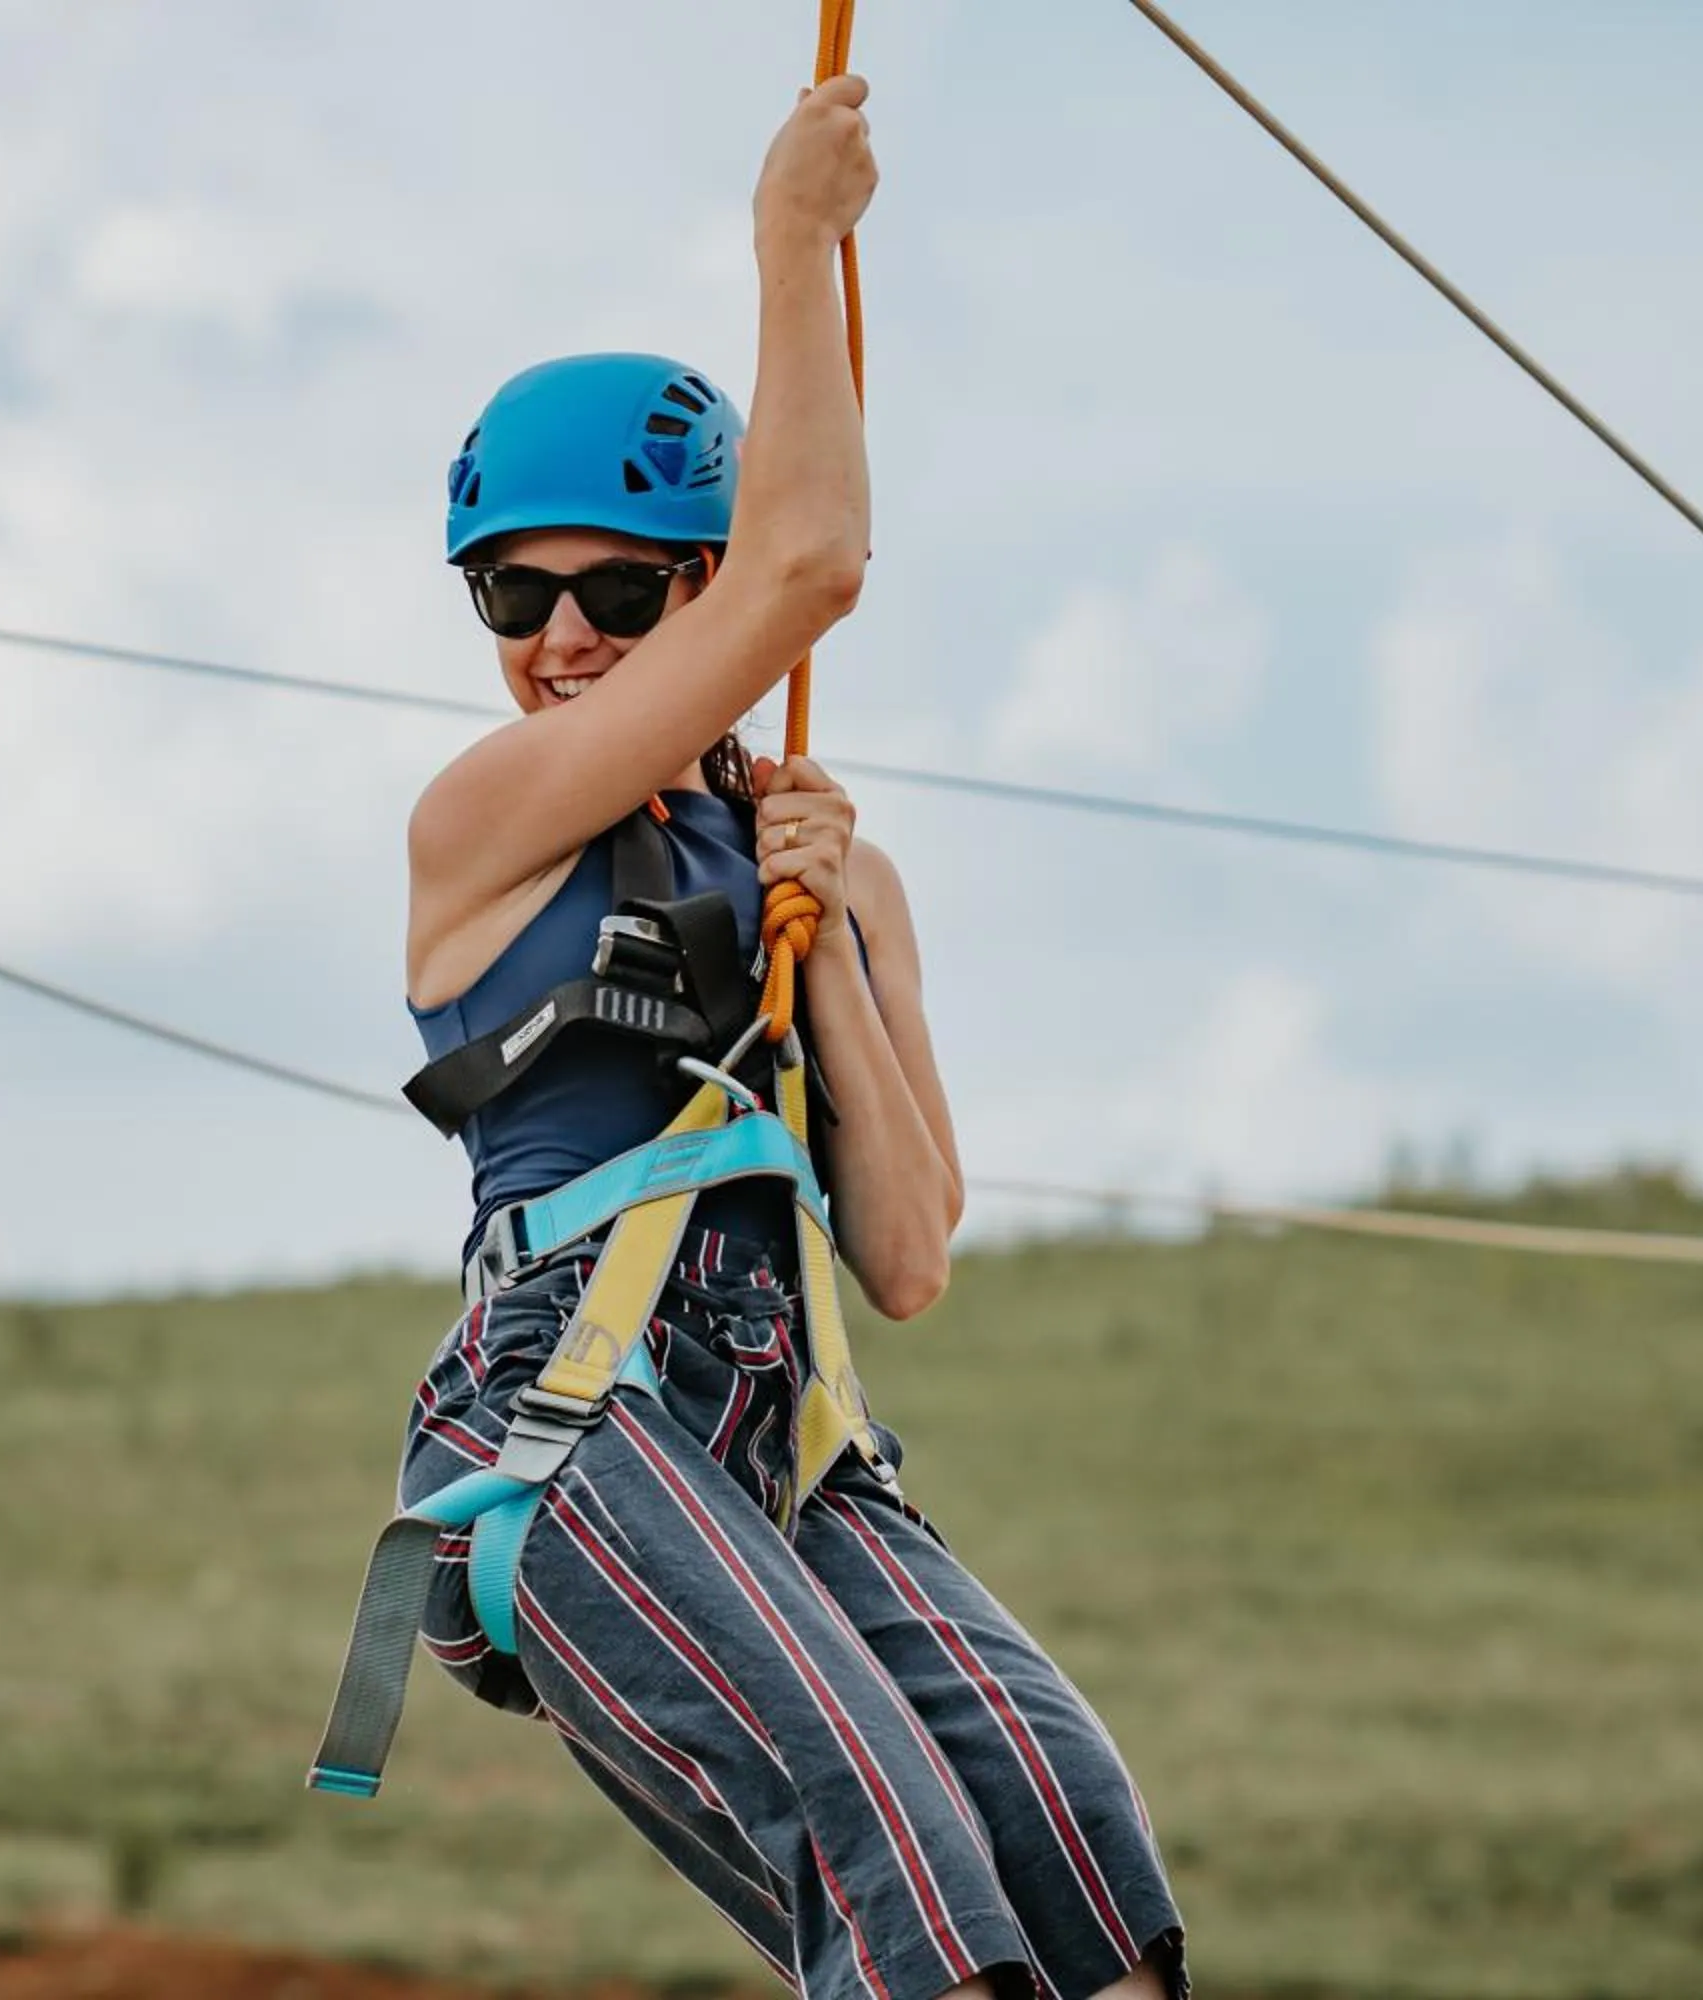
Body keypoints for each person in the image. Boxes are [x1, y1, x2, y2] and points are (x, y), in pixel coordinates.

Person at [392, 78, 1185, 2000]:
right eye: (518, 591)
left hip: (796, 1441)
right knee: (894, 1856)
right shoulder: (489, 819)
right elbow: (811, 564)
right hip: (571, 1419)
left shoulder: (840, 872)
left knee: (1086, 1865)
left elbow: (905, 1256)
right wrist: (795, 236)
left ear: (684, 586)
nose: (562, 635)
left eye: (617, 589)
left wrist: (821, 945)